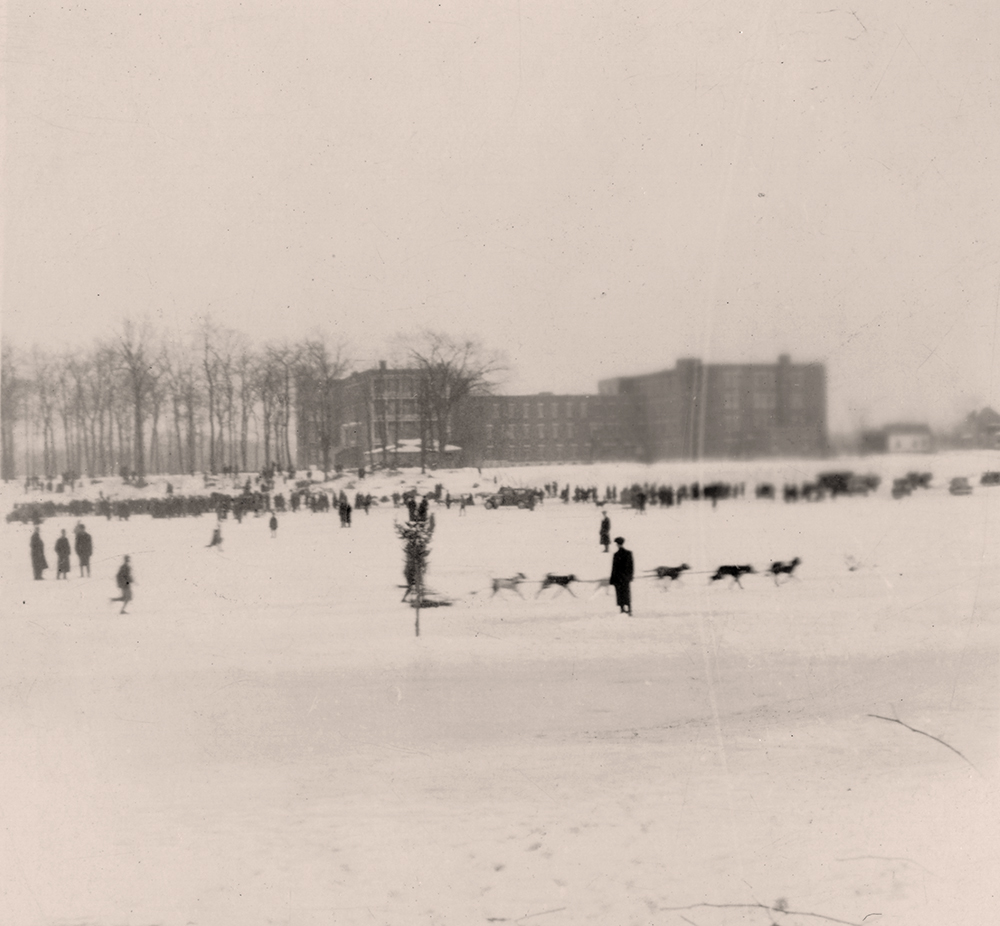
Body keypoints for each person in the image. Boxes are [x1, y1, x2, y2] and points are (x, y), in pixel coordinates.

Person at [610, 536, 634, 615]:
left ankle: (622, 609)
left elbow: (614, 568)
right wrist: (630, 576)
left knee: (620, 593)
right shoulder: (628, 553)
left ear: (617, 544)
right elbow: (631, 566)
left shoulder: (616, 555)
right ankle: (629, 609)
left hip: (618, 578)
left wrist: (612, 580)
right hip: (625, 578)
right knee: (626, 592)